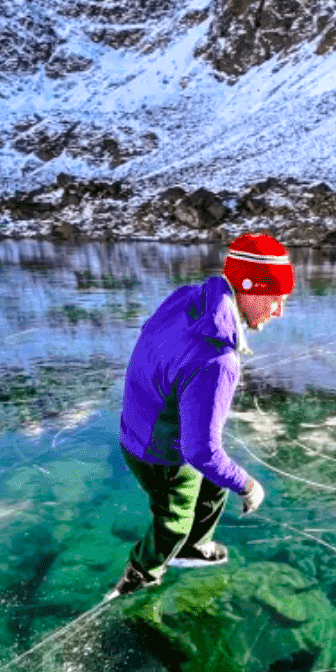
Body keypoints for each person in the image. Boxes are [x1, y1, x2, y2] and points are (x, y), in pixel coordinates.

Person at [109, 232, 294, 598]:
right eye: (275, 299)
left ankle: (194, 547)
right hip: (156, 451)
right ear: (248, 288)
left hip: (141, 421)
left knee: (212, 484)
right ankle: (139, 576)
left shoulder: (191, 298)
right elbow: (201, 452)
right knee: (174, 521)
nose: (280, 311)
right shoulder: (217, 359)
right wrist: (249, 485)